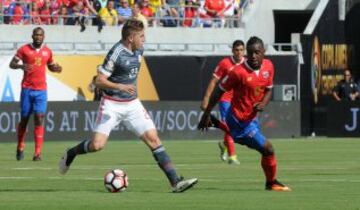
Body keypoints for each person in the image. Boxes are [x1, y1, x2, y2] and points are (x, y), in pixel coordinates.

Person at [58, 19, 198, 193]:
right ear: (131, 38)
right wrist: (120, 86)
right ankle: (71, 153)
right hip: (111, 104)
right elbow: (99, 81)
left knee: (154, 139)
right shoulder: (116, 53)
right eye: (141, 36)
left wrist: (128, 89)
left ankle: (175, 182)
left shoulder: (139, 49)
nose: (144, 39)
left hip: (132, 104)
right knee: (97, 145)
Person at [198, 36, 291, 191]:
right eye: (250, 53)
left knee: (252, 144)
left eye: (257, 52)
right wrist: (206, 113)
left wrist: (263, 103)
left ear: (263, 52)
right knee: (268, 149)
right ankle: (271, 183)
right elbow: (218, 91)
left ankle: (218, 124)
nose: (253, 56)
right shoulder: (237, 72)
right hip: (238, 119)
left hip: (251, 118)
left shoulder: (269, 66)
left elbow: (269, 89)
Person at [9, 27, 62, 161]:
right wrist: (21, 66)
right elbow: (12, 64)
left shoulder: (47, 51)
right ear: (32, 36)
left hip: (41, 90)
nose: (38, 37)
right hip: (27, 89)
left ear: (44, 37)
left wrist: (56, 69)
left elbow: (50, 65)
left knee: (39, 117)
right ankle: (20, 145)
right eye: (36, 35)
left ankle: (37, 153)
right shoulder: (24, 50)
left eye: (41, 35)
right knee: (25, 119)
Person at [200, 40, 245, 164]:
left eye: (241, 50)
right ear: (232, 51)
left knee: (237, 128)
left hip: (238, 100)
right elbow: (213, 81)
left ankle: (224, 145)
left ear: (244, 51)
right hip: (225, 98)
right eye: (237, 50)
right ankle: (232, 156)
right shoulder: (225, 63)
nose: (239, 52)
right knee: (228, 125)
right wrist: (206, 99)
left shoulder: (246, 64)